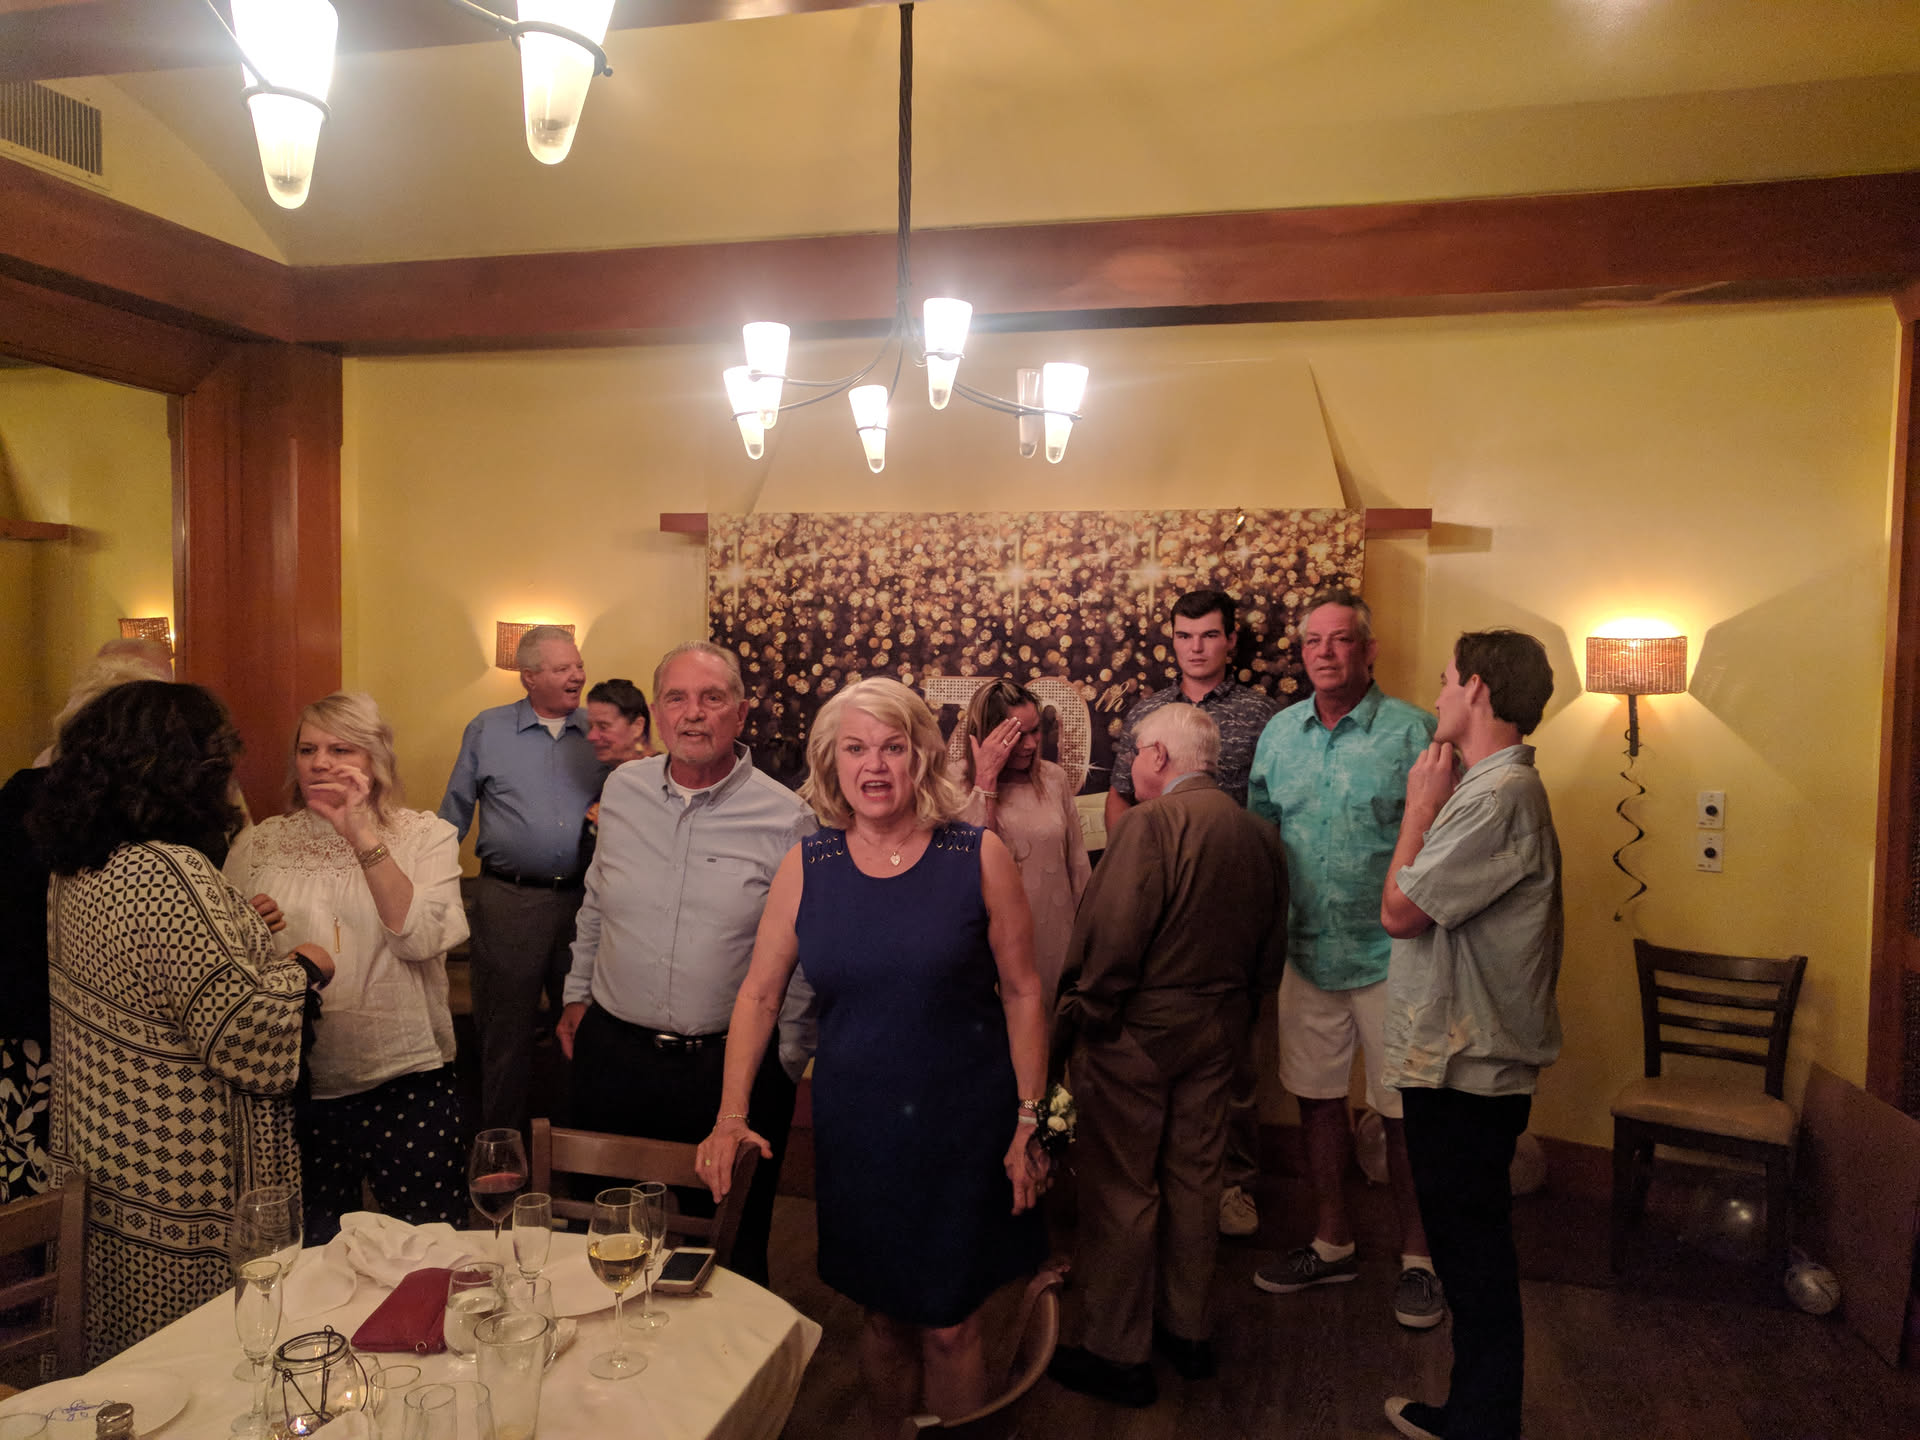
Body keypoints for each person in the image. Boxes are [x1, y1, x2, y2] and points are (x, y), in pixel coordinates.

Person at [695, 677, 1048, 1440]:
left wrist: (1030, 1118)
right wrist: (730, 1114)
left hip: (964, 1127)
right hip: (859, 1130)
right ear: (832, 762)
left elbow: (1023, 991)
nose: (875, 765)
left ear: (922, 757)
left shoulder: (977, 854)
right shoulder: (808, 864)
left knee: (951, 1323)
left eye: (893, 747)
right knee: (883, 1317)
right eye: (856, 748)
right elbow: (758, 995)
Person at [29, 681, 330, 1362]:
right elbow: (246, 1030)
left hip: (112, 1157)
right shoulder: (168, 868)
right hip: (186, 1179)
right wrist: (306, 969)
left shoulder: (79, 867)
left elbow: (151, 979)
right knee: (196, 1363)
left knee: (128, 1361)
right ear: (179, 768)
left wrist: (236, 928)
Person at [1047, 705, 1288, 1408]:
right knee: (1195, 1181)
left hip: (1137, 1038)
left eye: (1135, 755)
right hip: (1221, 1034)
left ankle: (1116, 1352)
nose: (1132, 767)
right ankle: (1188, 1332)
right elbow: (1271, 951)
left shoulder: (1148, 826)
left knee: (1122, 1188)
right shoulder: (1260, 835)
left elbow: (1110, 944)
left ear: (1157, 756)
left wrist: (1082, 1020)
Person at [557, 642, 816, 1287]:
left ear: (741, 713)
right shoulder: (622, 790)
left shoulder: (788, 818)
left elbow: (806, 955)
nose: (693, 713)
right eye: (677, 698)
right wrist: (576, 995)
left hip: (727, 1069)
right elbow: (597, 900)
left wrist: (786, 1058)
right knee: (602, 1243)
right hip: (615, 1056)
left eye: (712, 698)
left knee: (730, 1257)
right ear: (657, 711)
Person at [1379, 630, 1563, 1440]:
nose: (1438, 694)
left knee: (1474, 1255)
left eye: (1447, 679)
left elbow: (1400, 911)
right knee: (1466, 1251)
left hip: (1468, 1070)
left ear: (1479, 688)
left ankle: (1482, 1425)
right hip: (1458, 1062)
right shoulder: (1491, 788)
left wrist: (1418, 809)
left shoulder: (1497, 797)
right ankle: (1474, 1413)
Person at [1246, 589, 1443, 1329]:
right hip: (1306, 951)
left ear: (1368, 649)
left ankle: (1419, 1259)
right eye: (1312, 642)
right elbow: (1262, 839)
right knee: (1316, 1098)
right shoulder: (1279, 735)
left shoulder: (1415, 733)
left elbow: (1445, 845)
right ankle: (1333, 1243)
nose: (1324, 653)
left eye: (1340, 639)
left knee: (1404, 1112)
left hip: (1395, 955)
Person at [224, 692, 469, 1243]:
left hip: (406, 1077)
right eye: (308, 749)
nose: (321, 762)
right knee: (315, 1255)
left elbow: (420, 938)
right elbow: (233, 963)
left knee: (429, 1247)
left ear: (374, 759)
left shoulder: (426, 835)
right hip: (298, 1085)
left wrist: (360, 833)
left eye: (341, 749)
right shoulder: (259, 843)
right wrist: (251, 926)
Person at [1104, 587, 1280, 1237]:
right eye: (1184, 635)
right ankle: (1156, 1182)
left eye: (1208, 634)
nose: (1196, 647)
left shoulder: (1264, 715)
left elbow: (1272, 806)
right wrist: (1134, 868)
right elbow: (1119, 798)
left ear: (1231, 639)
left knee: (1234, 1055)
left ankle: (1233, 1186)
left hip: (1229, 899)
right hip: (1158, 902)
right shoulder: (1147, 713)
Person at [0, 640, 177, 1204]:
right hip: (69, 1031)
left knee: (35, 1188)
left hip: (34, 1025)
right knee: (65, 1189)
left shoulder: (23, 794)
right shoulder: (115, 814)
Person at [439, 624, 601, 1133]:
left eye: (578, 665)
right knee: (503, 1035)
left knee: (584, 1031)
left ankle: (579, 1153)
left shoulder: (599, 731)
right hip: (509, 902)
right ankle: (500, 1150)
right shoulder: (487, 729)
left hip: (585, 906)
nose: (577, 675)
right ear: (529, 676)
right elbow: (453, 814)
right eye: (563, 668)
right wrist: (429, 893)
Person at [958, 678, 1092, 1007]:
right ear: (987, 734)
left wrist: (1090, 942)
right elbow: (969, 866)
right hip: (988, 945)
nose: (1031, 744)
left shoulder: (1053, 778)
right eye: (1018, 735)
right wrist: (985, 781)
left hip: (1056, 938)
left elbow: (1078, 867)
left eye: (1035, 731)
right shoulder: (953, 785)